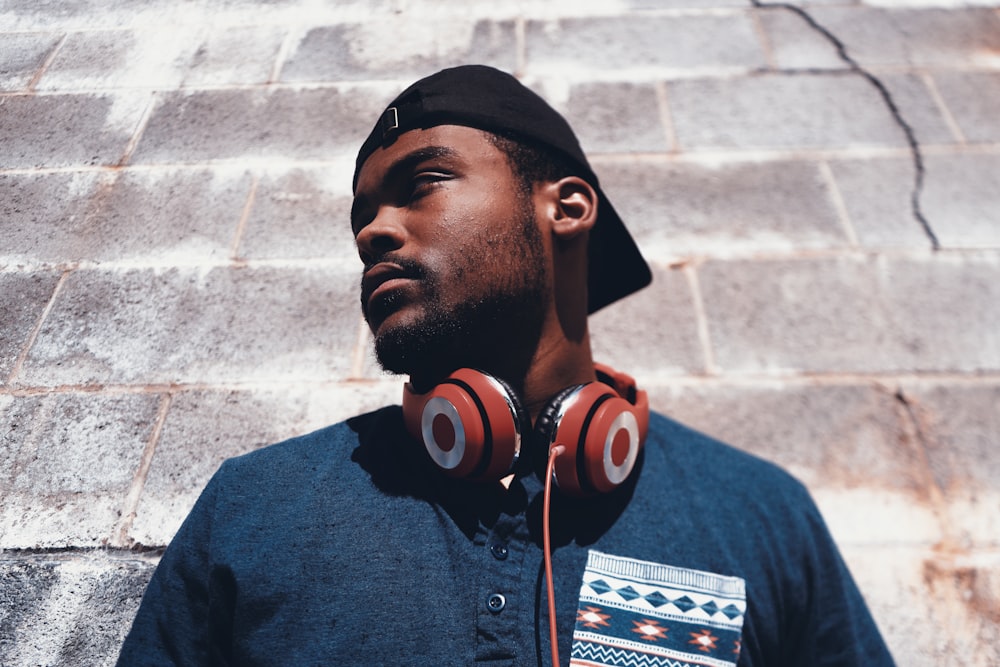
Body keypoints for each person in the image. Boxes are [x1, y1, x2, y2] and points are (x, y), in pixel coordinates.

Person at [117, 65, 895, 666]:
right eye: (362, 214)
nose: (372, 232)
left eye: (421, 183)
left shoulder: (759, 512)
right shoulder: (254, 505)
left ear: (567, 206)